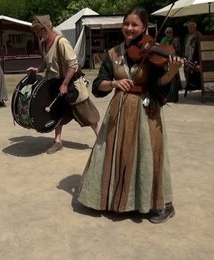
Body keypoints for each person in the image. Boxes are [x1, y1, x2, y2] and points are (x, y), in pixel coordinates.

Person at [76, 6, 184, 224]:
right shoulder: (113, 53)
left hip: (147, 113)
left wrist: (172, 73)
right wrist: (114, 82)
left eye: (135, 24)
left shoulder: (153, 51)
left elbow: (158, 85)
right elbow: (98, 86)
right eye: (127, 24)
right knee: (116, 155)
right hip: (119, 112)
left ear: (144, 27)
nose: (129, 28)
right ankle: (117, 201)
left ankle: (163, 205)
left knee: (150, 156)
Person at [27, 15, 100, 154]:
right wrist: (37, 69)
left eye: (37, 30)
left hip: (72, 84)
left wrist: (65, 84)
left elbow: (73, 64)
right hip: (57, 85)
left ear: (45, 29)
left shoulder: (61, 42)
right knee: (56, 114)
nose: (36, 34)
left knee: (89, 115)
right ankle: (58, 141)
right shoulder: (43, 43)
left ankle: (101, 141)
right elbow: (47, 62)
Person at [160, 27, 182, 103]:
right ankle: (168, 96)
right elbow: (160, 49)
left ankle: (174, 97)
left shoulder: (176, 40)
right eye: (167, 32)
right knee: (167, 79)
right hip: (165, 62)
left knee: (174, 80)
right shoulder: (163, 40)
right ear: (165, 33)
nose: (169, 33)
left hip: (173, 61)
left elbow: (178, 50)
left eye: (170, 32)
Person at [183, 21, 202, 91]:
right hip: (187, 56)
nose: (190, 29)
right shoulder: (187, 35)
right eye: (189, 27)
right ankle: (188, 85)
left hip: (194, 56)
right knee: (186, 70)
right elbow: (185, 46)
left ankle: (195, 85)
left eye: (191, 27)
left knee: (194, 71)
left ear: (195, 28)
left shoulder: (198, 34)